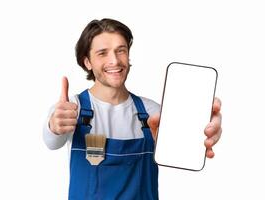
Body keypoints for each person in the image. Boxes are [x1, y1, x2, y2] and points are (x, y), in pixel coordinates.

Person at [43, 18, 222, 200]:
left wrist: (205, 130)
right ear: (87, 62)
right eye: (102, 53)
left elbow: (188, 146)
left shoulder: (152, 113)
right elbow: (52, 141)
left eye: (121, 50)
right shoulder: (72, 110)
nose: (114, 60)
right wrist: (54, 126)